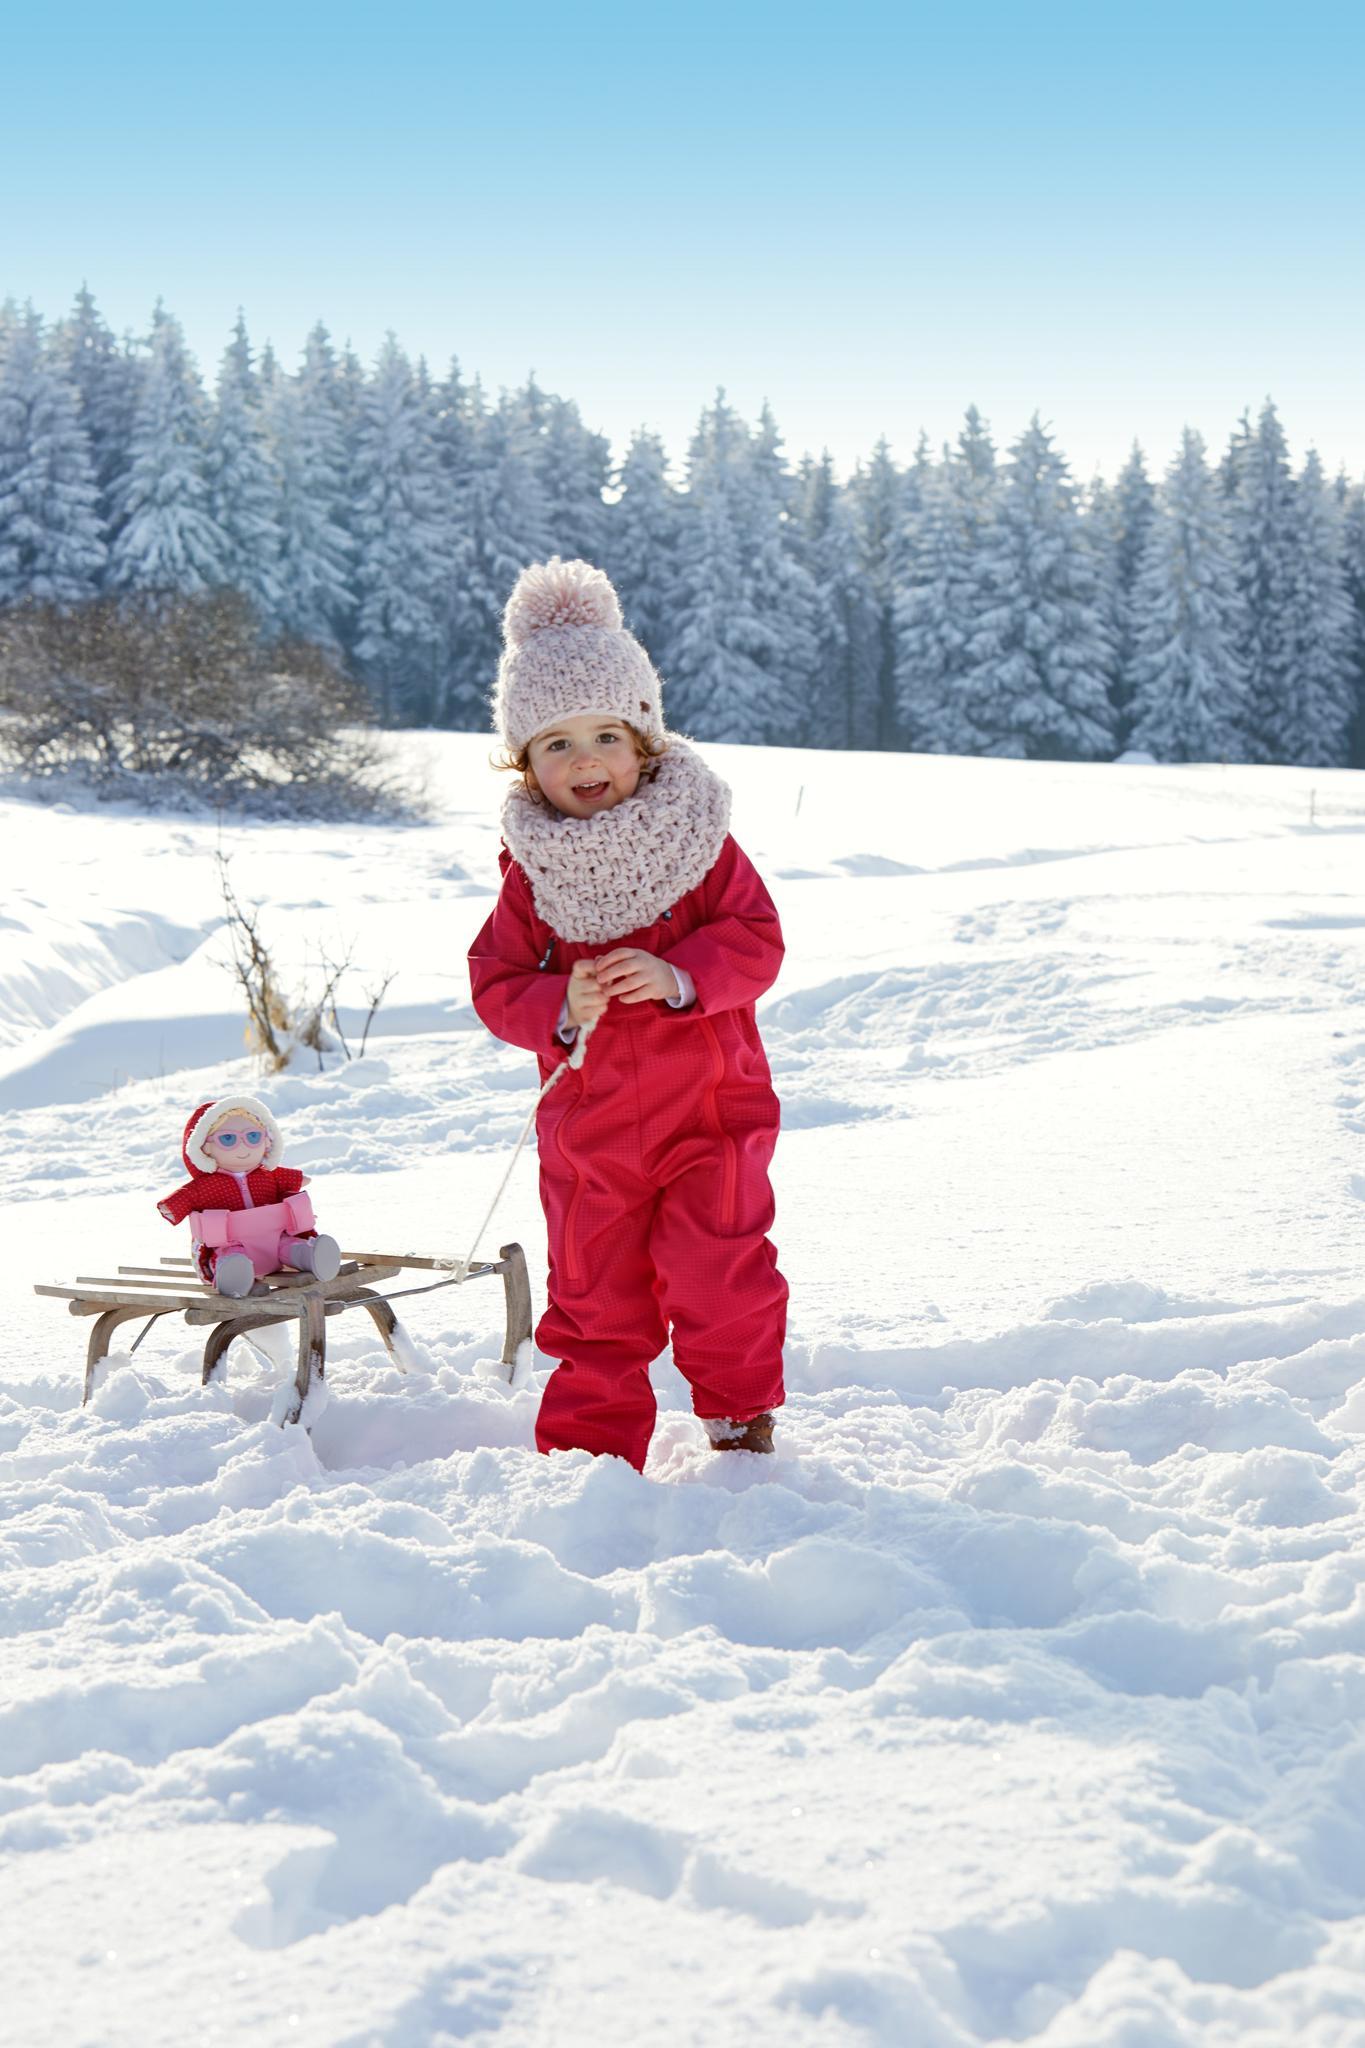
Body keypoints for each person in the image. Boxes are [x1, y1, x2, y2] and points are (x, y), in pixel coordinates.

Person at [468, 557, 788, 1472]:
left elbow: (758, 940)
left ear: (642, 738)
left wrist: (683, 973)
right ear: (525, 764)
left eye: (604, 735)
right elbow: (494, 979)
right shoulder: (534, 871)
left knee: (716, 1271)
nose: (584, 761)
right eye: (555, 744)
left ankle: (737, 1413)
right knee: (594, 1296)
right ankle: (589, 1453)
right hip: (590, 1133)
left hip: (711, 1118)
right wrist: (555, 1002)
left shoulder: (699, 845)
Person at [156, 1095, 341, 1297]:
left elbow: (291, 1179)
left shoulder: (268, 1175)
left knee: (288, 1244)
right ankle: (232, 1274)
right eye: (228, 1139)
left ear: (267, 1140)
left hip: (274, 1240)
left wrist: (298, 1180)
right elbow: (186, 1196)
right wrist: (171, 1206)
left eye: (253, 1137)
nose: (243, 1146)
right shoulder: (205, 1185)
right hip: (231, 1244)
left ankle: (310, 1256)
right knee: (228, 1256)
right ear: (204, 1147)